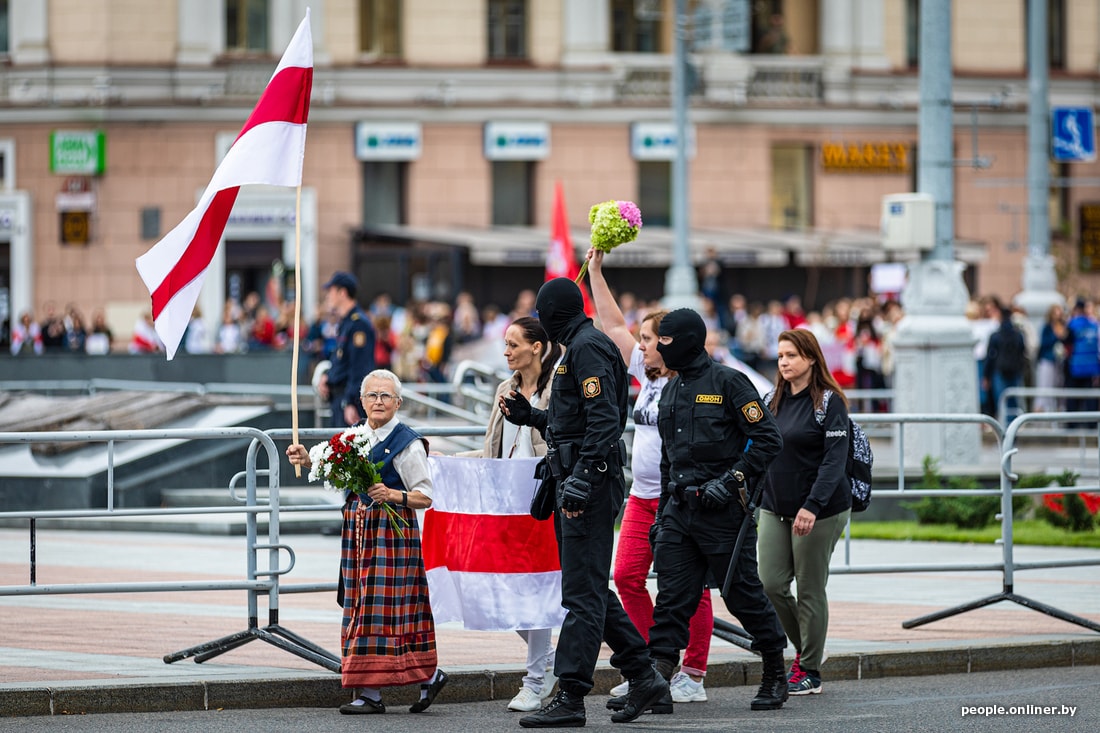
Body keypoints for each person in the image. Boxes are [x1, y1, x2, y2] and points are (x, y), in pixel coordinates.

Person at [501, 277, 669, 728]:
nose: (540, 319)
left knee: (580, 593)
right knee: (589, 586)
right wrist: (531, 416)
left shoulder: (587, 348)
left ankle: (572, 694)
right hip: (575, 479)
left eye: (542, 312)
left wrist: (582, 478)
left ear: (555, 313)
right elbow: (571, 421)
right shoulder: (574, 348)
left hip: (586, 486)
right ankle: (643, 675)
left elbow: (603, 422)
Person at [585, 248, 714, 706]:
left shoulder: (696, 380)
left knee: (687, 588)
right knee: (627, 576)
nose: (639, 345)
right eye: (641, 340)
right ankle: (647, 669)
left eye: (648, 338)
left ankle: (692, 673)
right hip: (642, 497)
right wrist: (596, 272)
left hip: (681, 499)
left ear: (670, 342)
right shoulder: (647, 372)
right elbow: (614, 326)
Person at [645, 307, 789, 712]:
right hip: (679, 509)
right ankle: (656, 680)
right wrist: (659, 519)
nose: (658, 347)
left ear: (689, 341)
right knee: (672, 598)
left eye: (666, 340)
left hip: (723, 512)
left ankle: (775, 671)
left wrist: (730, 482)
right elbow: (666, 459)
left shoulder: (729, 383)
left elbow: (768, 440)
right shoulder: (670, 390)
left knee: (741, 594)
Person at [285, 369, 448, 715]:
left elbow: (426, 496)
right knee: (361, 606)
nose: (378, 401)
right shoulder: (354, 437)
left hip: (392, 534)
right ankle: (394, 685)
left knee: (391, 609)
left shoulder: (408, 442)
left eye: (385, 396)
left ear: (398, 402)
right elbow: (328, 464)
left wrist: (392, 494)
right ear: (361, 401)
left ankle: (404, 682)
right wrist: (305, 457)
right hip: (358, 533)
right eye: (372, 395)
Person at [464, 316, 563, 712]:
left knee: (534, 590)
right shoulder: (505, 388)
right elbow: (492, 444)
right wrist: (447, 461)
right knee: (497, 589)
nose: (505, 351)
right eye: (505, 344)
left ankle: (535, 679)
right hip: (505, 504)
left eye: (513, 344)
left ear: (536, 347)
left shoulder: (558, 386)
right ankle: (550, 663)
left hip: (541, 501)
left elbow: (558, 437)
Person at [758, 329, 852, 697]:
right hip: (774, 506)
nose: (783, 362)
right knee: (771, 583)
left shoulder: (829, 403)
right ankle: (808, 648)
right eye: (780, 356)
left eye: (791, 355)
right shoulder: (771, 400)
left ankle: (809, 668)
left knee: (810, 588)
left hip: (820, 509)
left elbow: (834, 462)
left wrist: (812, 506)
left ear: (811, 358)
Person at [318, 272, 376, 427]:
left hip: (348, 401)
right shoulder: (346, 323)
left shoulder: (358, 324)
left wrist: (351, 402)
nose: (328, 296)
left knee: (348, 449)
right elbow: (340, 360)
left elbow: (360, 367)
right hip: (338, 398)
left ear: (342, 293)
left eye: (331, 291)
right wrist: (328, 377)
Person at [983, 307, 1028, 422]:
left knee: (1002, 401)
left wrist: (986, 376)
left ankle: (1005, 431)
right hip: (1015, 371)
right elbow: (1023, 351)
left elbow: (990, 357)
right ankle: (1013, 430)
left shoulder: (995, 335)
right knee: (1013, 402)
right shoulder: (1018, 335)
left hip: (999, 370)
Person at [1035, 303, 1069, 413]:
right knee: (1045, 386)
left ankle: (1057, 410)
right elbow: (1044, 343)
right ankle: (1043, 410)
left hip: (1060, 362)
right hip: (1047, 360)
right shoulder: (1047, 328)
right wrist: (1056, 336)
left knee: (1059, 387)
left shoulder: (1064, 327)